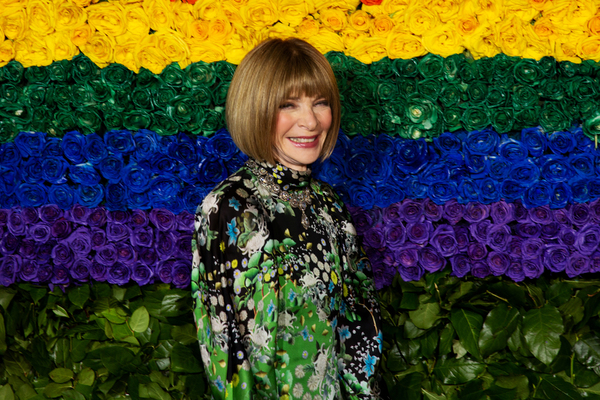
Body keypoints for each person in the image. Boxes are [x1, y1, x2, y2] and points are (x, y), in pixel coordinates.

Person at [191, 37, 383, 400]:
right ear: (254, 109)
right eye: (288, 105)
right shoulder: (230, 208)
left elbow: (359, 326)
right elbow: (224, 348)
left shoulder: (330, 207)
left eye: (320, 103)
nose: (310, 121)